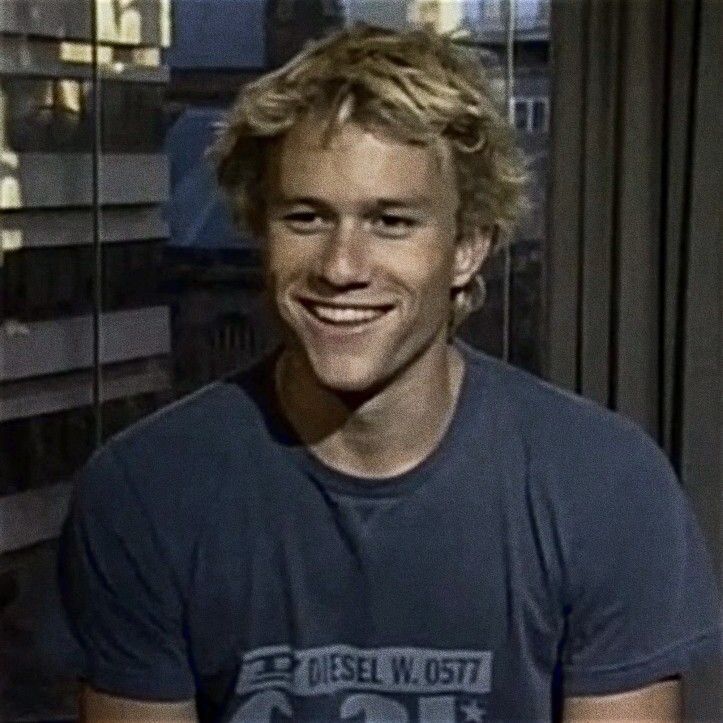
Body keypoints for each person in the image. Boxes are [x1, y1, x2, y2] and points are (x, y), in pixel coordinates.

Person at [59, 24, 720, 722]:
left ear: (466, 247)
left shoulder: (602, 484)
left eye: (391, 221)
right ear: (261, 229)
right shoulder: (145, 493)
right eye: (307, 217)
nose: (342, 267)